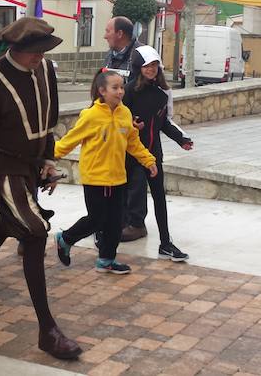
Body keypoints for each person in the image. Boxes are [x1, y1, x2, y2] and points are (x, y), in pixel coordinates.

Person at [0, 17, 82, 360]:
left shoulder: (45, 70)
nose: (39, 57)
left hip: (28, 168)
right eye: (33, 52)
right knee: (35, 230)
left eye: (43, 51)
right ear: (16, 49)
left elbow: (47, 123)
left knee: (1, 229)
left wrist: (48, 162)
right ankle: (47, 330)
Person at [53, 71, 157, 274]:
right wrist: (48, 157)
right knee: (97, 219)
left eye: (122, 87)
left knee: (116, 221)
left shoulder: (125, 113)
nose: (120, 91)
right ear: (102, 91)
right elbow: (69, 140)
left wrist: (148, 160)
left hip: (118, 178)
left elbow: (133, 142)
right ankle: (65, 238)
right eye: (115, 88)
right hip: (95, 178)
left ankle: (106, 260)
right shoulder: (90, 116)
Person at [122, 45, 194, 261]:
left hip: (153, 154)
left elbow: (163, 123)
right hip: (132, 154)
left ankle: (165, 242)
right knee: (126, 194)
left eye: (154, 65)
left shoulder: (163, 93)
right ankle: (111, 230)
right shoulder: (128, 91)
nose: (151, 69)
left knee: (159, 198)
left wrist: (181, 139)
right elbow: (119, 120)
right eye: (147, 65)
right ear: (138, 67)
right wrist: (132, 125)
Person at [103, 16, 144, 83]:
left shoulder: (142, 55)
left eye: (108, 31)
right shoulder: (109, 55)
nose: (105, 36)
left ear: (120, 34)